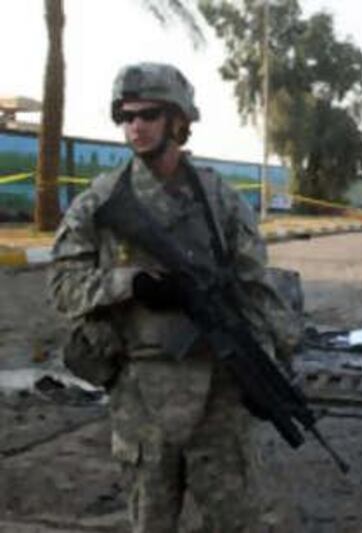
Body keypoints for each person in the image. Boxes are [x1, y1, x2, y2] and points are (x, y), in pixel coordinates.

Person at [48, 63, 300, 532]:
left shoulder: (218, 197)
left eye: (148, 115)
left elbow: (256, 288)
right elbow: (63, 287)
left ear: (178, 121)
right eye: (126, 116)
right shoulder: (101, 203)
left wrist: (270, 363)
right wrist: (131, 284)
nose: (135, 127)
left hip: (218, 391)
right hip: (142, 392)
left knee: (235, 521)